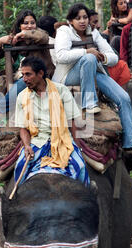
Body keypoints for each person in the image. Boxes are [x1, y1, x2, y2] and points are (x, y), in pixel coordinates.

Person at [52, 2, 132, 152]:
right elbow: (60, 56)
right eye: (78, 18)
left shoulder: (93, 32)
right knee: (89, 59)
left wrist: (103, 56)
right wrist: (87, 52)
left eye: (85, 17)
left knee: (123, 97)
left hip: (92, 72)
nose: (83, 21)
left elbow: (114, 57)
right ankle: (89, 103)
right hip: (67, 76)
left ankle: (130, 141)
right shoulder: (64, 31)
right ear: (71, 20)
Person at [14, 56, 90, 186]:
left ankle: (89, 198)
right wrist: (26, 146)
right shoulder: (22, 96)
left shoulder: (61, 90)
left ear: (40, 74)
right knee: (20, 167)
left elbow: (72, 122)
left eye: (28, 74)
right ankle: (14, 202)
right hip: (37, 141)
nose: (24, 79)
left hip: (62, 139)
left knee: (81, 167)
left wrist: (76, 146)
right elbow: (23, 128)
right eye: (23, 75)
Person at [0, 9, 55, 123]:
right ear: (20, 25)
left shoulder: (39, 34)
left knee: (24, 81)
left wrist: (24, 33)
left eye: (32, 23)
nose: (29, 26)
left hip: (37, 75)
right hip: (17, 74)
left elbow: (44, 37)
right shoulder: (14, 38)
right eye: (25, 23)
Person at [89, 9, 132, 89]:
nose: (98, 26)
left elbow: (114, 56)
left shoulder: (96, 34)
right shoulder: (68, 35)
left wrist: (102, 57)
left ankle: (120, 97)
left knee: (122, 65)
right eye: (94, 22)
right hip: (82, 75)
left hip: (100, 69)